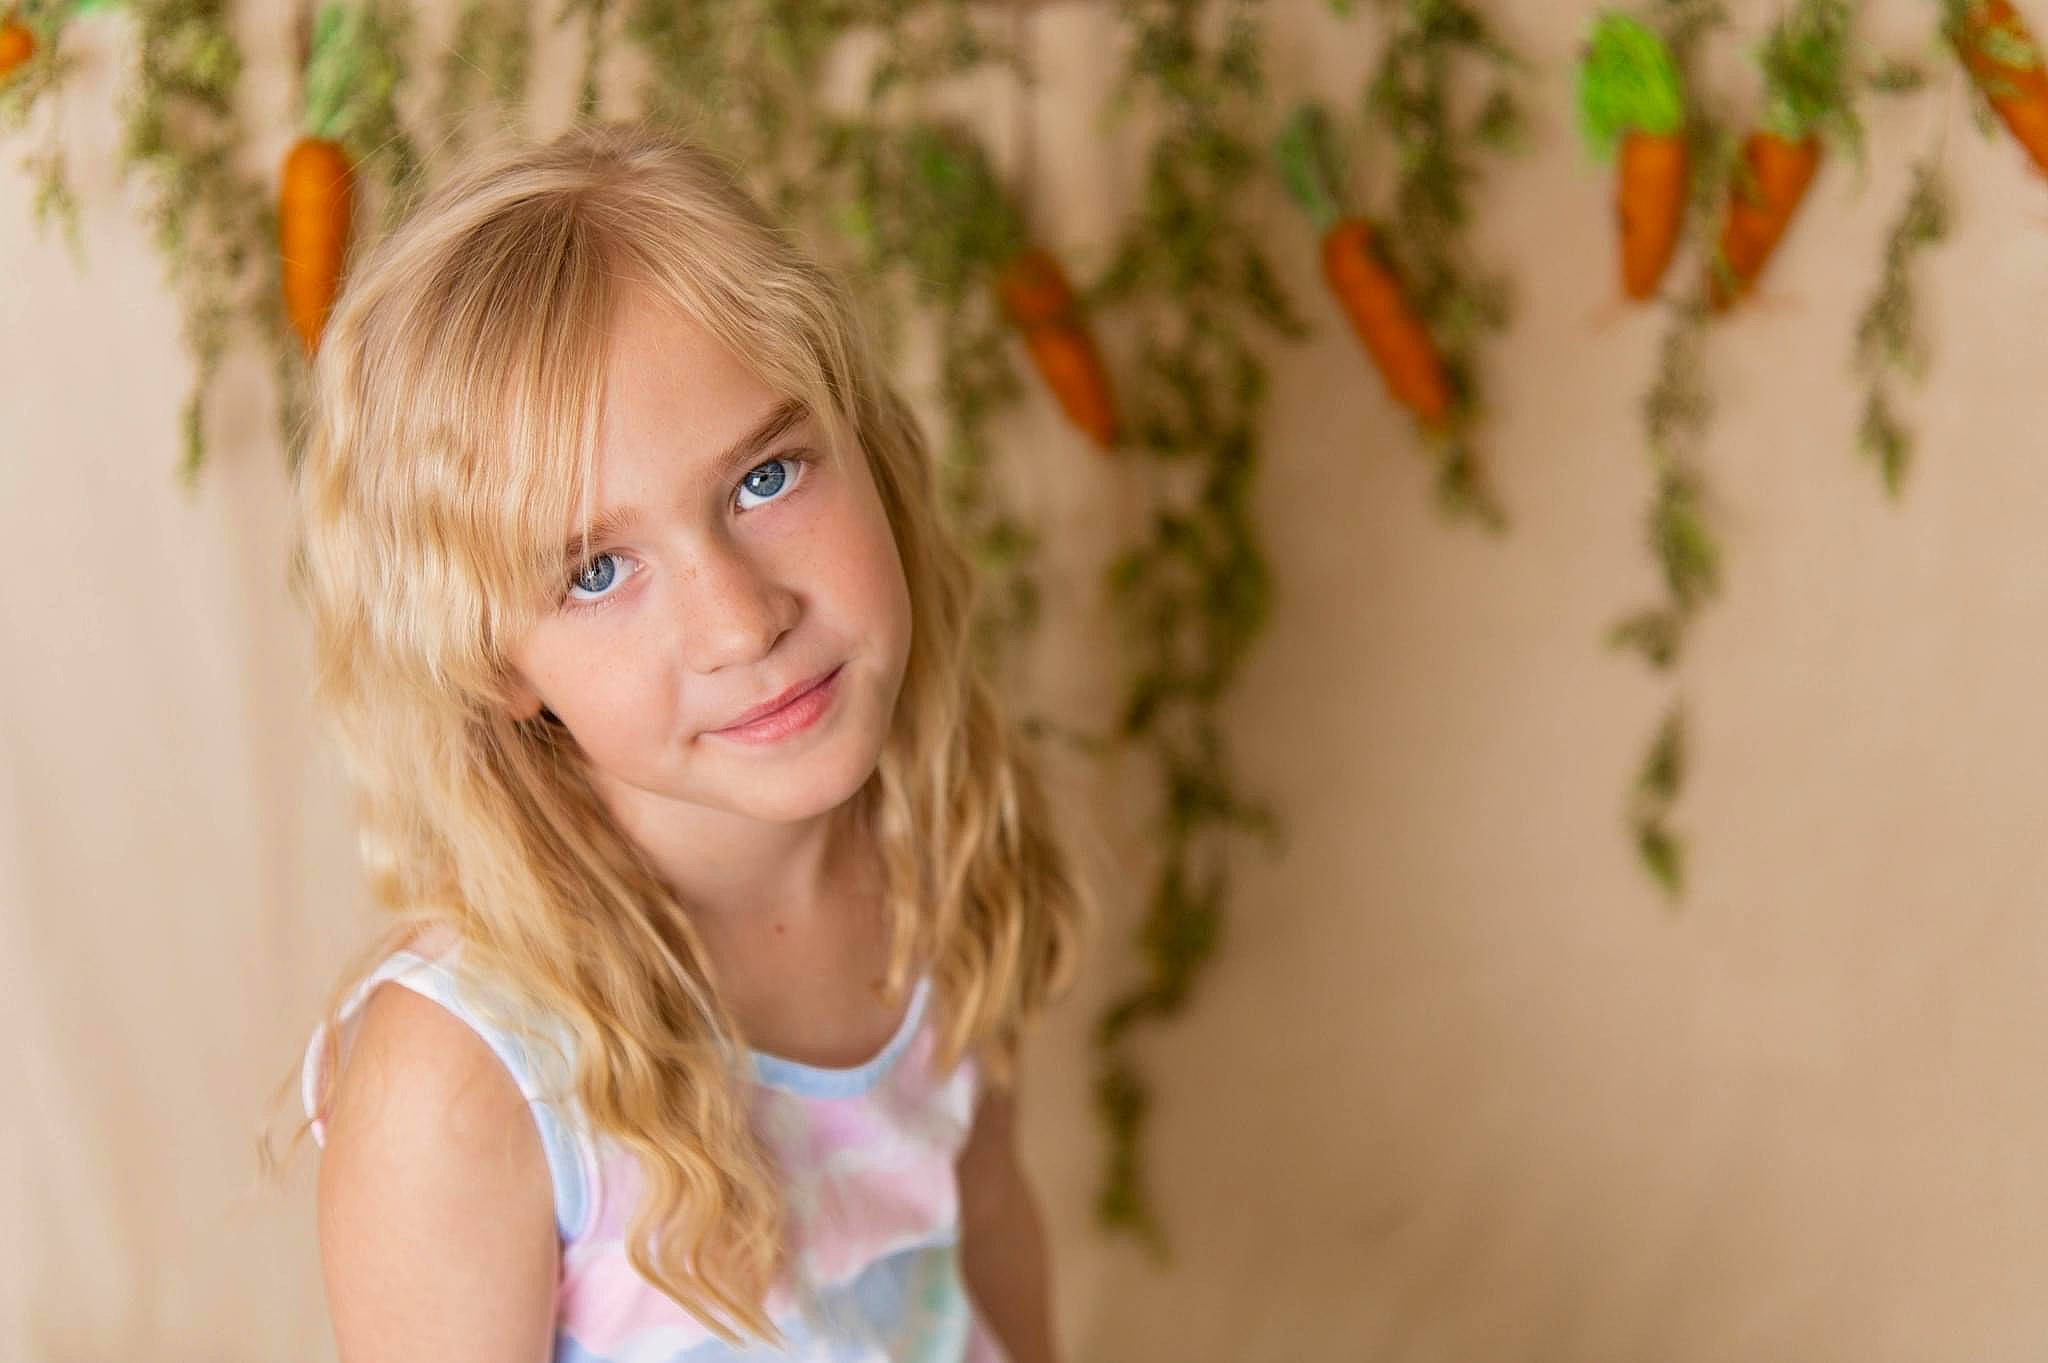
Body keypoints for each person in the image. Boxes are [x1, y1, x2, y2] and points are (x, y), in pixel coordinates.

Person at [269, 117, 1094, 1363]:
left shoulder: (936, 835)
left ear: (861, 441)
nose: (740, 619)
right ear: (495, 664)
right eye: (597, 569)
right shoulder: (468, 1074)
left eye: (766, 478)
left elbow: (988, 1239)